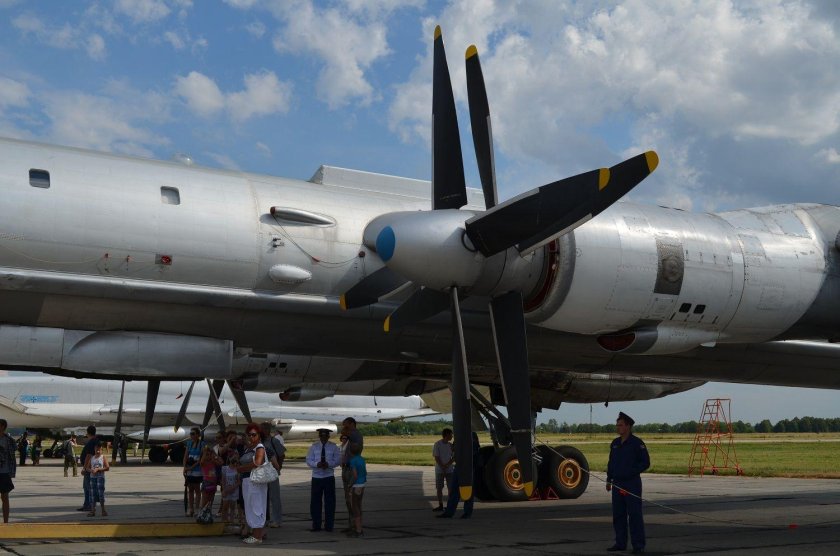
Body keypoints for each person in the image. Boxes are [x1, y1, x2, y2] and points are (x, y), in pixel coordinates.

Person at [607, 412, 650, 554]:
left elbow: (645, 463)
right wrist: (609, 479)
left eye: (620, 425)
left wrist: (631, 471)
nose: (617, 428)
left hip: (632, 484)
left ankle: (638, 545)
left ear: (628, 426)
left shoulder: (637, 443)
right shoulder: (615, 444)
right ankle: (620, 543)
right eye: (617, 425)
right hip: (617, 483)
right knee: (618, 515)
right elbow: (611, 463)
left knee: (634, 514)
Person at [237, 422, 268, 544]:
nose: (251, 437)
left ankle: (257, 537)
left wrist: (241, 469)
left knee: (257, 507)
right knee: (249, 507)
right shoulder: (248, 448)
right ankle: (255, 534)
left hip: (255, 481)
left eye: (253, 434)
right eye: (249, 435)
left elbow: (258, 463)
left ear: (259, 435)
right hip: (246, 480)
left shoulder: (259, 447)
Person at [305, 427, 340, 532]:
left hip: (328, 477)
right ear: (319, 436)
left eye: (325, 436)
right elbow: (308, 460)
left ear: (328, 436)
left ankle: (329, 526)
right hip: (317, 477)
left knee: (330, 502)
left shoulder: (333, 447)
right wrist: (317, 464)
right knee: (315, 502)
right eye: (321, 435)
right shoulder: (314, 447)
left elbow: (338, 460)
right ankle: (316, 525)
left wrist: (329, 464)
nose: (323, 437)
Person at [438, 431, 480, 519]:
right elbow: (455, 451)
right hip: (460, 466)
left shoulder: (471, 438)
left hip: (468, 467)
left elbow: (472, 452)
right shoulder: (461, 437)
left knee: (467, 490)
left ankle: (464, 513)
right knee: (455, 490)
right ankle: (451, 512)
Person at [340, 417, 364, 533]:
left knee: (352, 499)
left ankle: (356, 526)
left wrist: (345, 429)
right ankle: (352, 525)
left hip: (351, 469)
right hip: (346, 468)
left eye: (346, 425)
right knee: (347, 499)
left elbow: (343, 432)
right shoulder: (350, 436)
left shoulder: (355, 434)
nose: (344, 427)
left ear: (352, 424)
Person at [260, 422, 285, 528]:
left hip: (272, 472)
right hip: (261, 473)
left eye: (261, 429)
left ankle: (277, 520)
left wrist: (278, 466)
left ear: (266, 430)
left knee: (274, 497)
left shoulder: (274, 441)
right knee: (263, 497)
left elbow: (281, 454)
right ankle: (265, 519)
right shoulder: (259, 441)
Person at [182, 427, 205, 517]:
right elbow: (185, 456)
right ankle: (190, 508)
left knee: (197, 489)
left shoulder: (202, 444)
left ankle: (196, 509)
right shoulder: (189, 444)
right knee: (190, 489)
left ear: (198, 435)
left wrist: (191, 467)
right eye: (191, 434)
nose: (191, 435)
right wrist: (185, 467)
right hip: (189, 470)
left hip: (197, 470)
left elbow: (200, 459)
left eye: (193, 434)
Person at [346, 444, 366, 538]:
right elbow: (365, 472)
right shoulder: (362, 459)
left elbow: (354, 475)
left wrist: (349, 485)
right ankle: (360, 528)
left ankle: (358, 530)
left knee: (355, 508)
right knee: (359, 505)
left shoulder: (353, 461)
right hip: (362, 484)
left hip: (356, 485)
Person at [432, 428, 454, 511]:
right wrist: (443, 466)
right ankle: (440, 504)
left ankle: (449, 504)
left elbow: (454, 457)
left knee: (450, 488)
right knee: (439, 488)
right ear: (447, 435)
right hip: (440, 470)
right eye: (451, 434)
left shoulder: (450, 445)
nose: (452, 436)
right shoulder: (437, 444)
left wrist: (447, 465)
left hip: (449, 470)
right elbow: (436, 457)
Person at [85, 441, 109, 517]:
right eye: (96, 450)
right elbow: (87, 468)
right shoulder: (92, 458)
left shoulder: (103, 457)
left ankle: (103, 510)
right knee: (92, 494)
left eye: (99, 450)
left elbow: (107, 467)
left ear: (101, 450)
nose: (98, 451)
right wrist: (91, 470)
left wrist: (99, 469)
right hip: (92, 478)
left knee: (100, 494)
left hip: (100, 477)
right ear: (94, 450)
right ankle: (93, 510)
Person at [0, 418, 17, 524]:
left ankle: (6, 522)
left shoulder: (9, 440)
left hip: (4, 472)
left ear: (3, 427)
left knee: (4, 497)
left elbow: (12, 456)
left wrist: (12, 472)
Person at [198, 444, 221, 520]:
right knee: (204, 501)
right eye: (207, 455)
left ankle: (208, 515)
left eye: (209, 454)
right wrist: (205, 452)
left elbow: (221, 462)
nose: (208, 456)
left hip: (213, 484)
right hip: (206, 483)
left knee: (210, 502)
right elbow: (201, 461)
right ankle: (201, 515)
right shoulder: (204, 463)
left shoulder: (213, 462)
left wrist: (214, 453)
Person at [78, 425, 98, 512]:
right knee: (88, 487)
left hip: (89, 468)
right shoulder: (95, 441)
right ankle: (88, 504)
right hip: (93, 467)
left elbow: (89, 455)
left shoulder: (91, 442)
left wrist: (84, 468)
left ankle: (88, 505)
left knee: (87, 487)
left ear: (88, 433)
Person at [220, 451, 241, 527]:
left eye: (236, 459)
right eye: (233, 459)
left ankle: (231, 522)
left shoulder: (238, 469)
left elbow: (239, 482)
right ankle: (223, 522)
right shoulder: (225, 469)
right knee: (225, 506)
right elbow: (223, 480)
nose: (235, 461)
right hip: (226, 490)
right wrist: (225, 490)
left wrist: (232, 488)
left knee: (232, 507)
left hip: (234, 490)